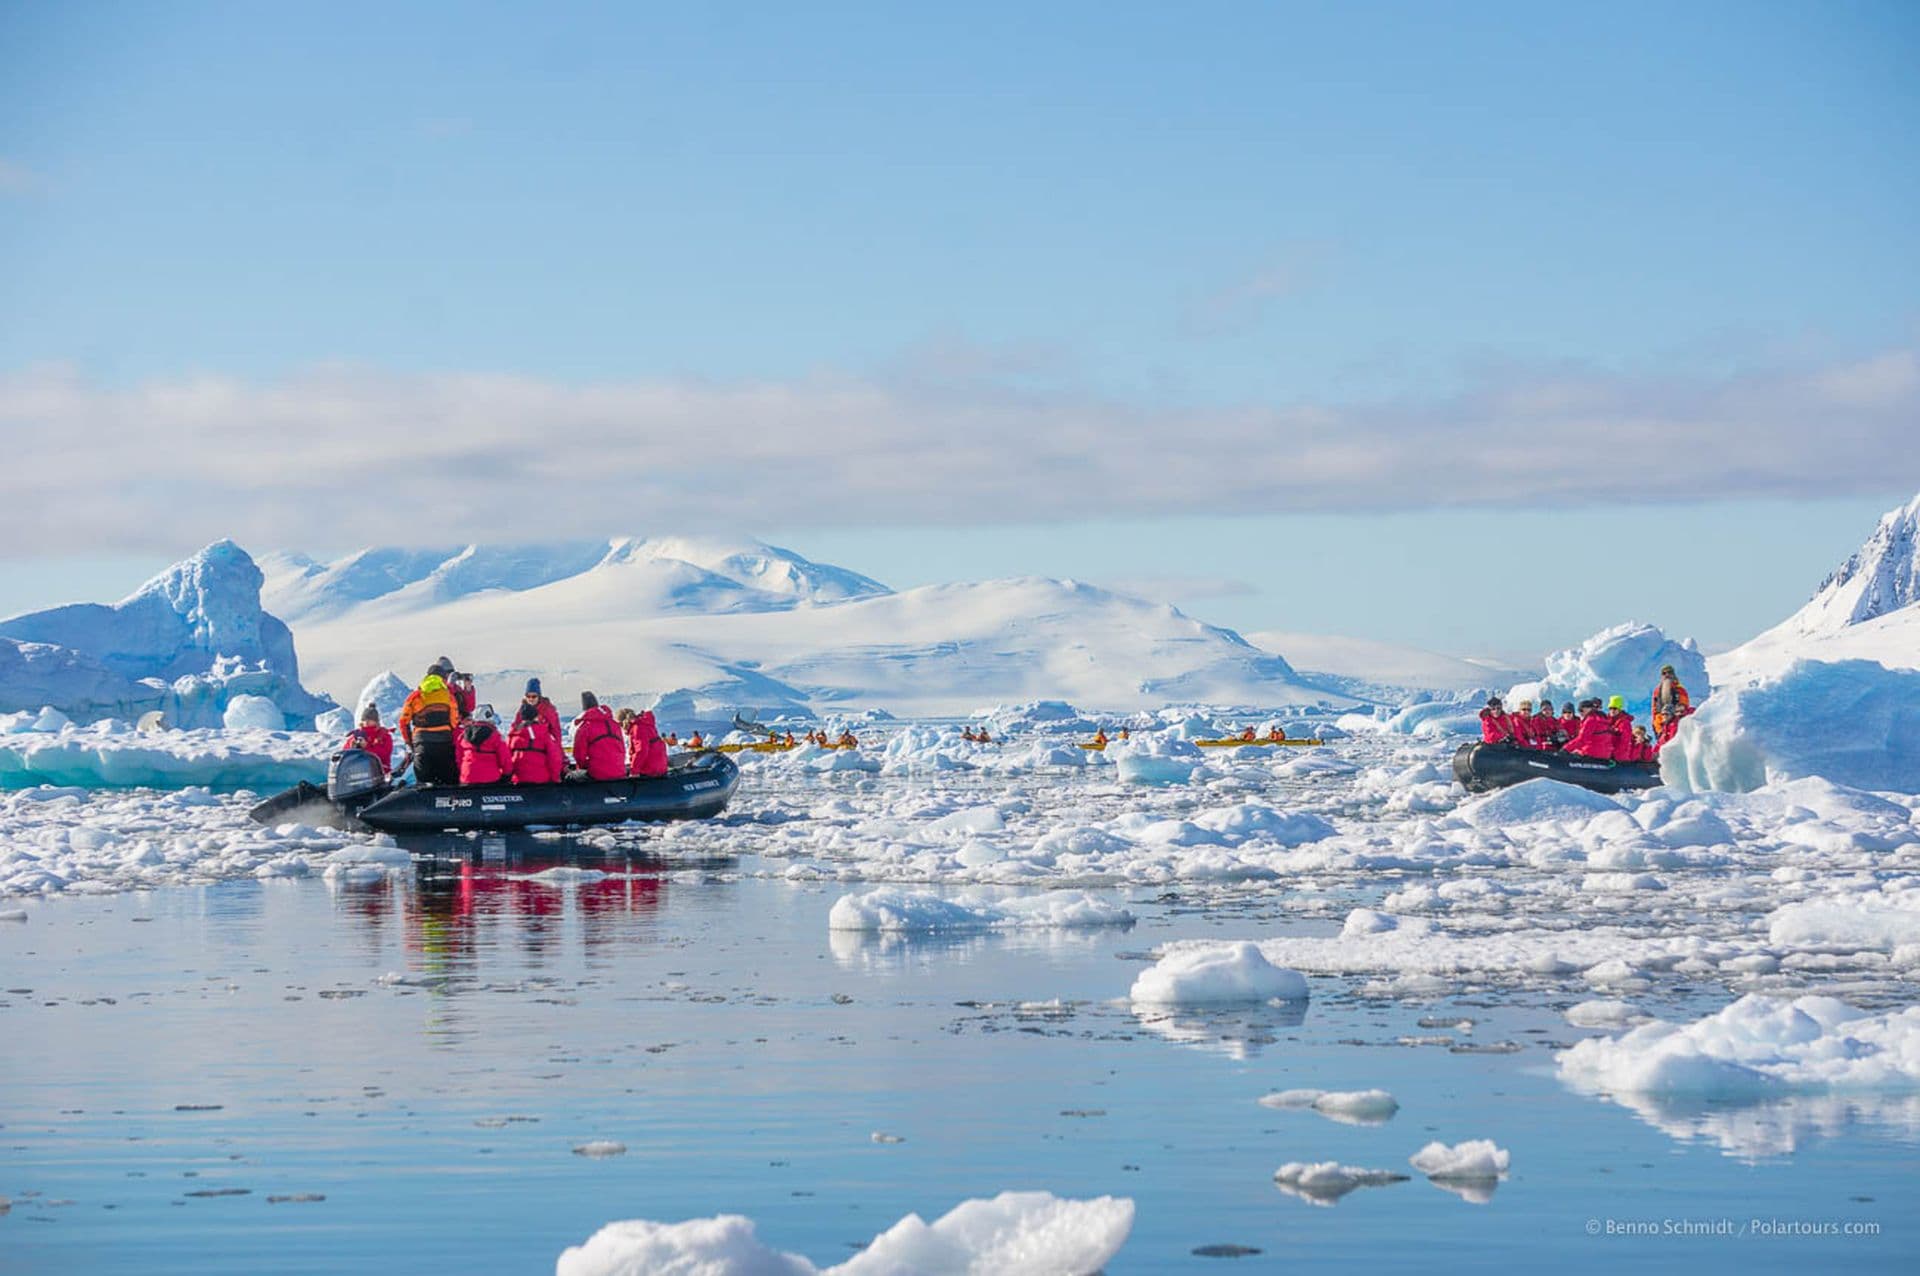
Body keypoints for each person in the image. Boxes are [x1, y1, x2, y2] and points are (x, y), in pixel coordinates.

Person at [399, 666, 463, 784]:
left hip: (422, 742)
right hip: (444, 742)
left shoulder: (415, 696)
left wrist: (410, 743)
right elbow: (454, 722)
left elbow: (403, 722)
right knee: (448, 782)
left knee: (424, 784)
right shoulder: (449, 696)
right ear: (443, 679)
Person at [571, 692, 627, 781]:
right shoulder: (615, 725)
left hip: (597, 774)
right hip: (619, 771)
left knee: (570, 777)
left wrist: (582, 767)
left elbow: (579, 754)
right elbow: (622, 749)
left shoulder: (585, 727)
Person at [508, 701, 565, 784]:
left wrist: (507, 777)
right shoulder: (544, 734)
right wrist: (555, 778)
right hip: (541, 780)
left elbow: (506, 759)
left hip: (519, 780)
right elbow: (554, 759)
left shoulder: (513, 736)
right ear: (536, 717)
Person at [457, 705, 512, 784]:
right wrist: (507, 774)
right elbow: (505, 758)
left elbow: (459, 758)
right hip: (490, 778)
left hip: (467, 777)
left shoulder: (463, 735)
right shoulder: (496, 735)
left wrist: (464, 771)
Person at [341, 703, 395, 774]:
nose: (366, 721)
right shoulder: (356, 736)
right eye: (364, 719)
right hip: (357, 773)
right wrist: (352, 747)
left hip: (380, 772)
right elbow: (344, 753)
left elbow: (383, 754)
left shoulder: (384, 736)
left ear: (376, 721)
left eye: (370, 719)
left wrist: (366, 747)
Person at [1651, 664, 1693, 745]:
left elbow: (1684, 707)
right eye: (1664, 673)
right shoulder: (1657, 691)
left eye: (1669, 672)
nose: (1667, 674)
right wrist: (1656, 726)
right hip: (1661, 723)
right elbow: (1654, 709)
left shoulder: (1680, 689)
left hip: (1675, 723)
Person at [626, 707, 669, 777]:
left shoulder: (638, 728)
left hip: (649, 771)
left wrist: (634, 772)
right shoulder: (646, 724)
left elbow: (641, 751)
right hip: (660, 768)